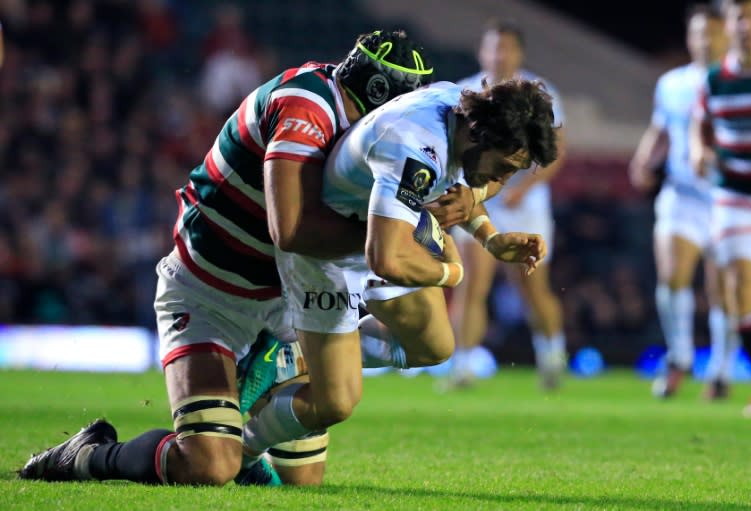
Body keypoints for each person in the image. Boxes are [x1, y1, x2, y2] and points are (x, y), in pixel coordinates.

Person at [18, 30, 448, 486]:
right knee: (208, 466)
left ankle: (280, 369)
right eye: (402, 105)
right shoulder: (307, 105)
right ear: (380, 94)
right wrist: (395, 240)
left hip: (286, 306)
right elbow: (292, 231)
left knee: (302, 485)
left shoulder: (366, 130)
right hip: (211, 298)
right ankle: (88, 455)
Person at [238, 79, 559, 460]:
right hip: (329, 244)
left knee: (434, 347)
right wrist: (454, 273)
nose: (501, 182)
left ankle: (295, 356)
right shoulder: (416, 146)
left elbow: (466, 188)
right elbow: (387, 259)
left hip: (387, 224)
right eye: (504, 168)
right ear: (480, 135)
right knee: (335, 403)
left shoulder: (465, 113)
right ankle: (242, 451)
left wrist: (490, 237)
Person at [445, 19, 568, 390]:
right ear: (483, 52)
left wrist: (523, 189)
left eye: (506, 48)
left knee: (532, 286)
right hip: (477, 196)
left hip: (522, 202)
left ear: (519, 52)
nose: (499, 55)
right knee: (472, 284)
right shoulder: (467, 90)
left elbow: (556, 151)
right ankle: (462, 366)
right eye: (493, 48)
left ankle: (552, 355)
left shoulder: (540, 93)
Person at [629, 5, 735, 399]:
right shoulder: (672, 83)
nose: (704, 41)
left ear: (725, 36)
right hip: (682, 194)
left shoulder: (741, 80)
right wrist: (644, 158)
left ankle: (722, 370)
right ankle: (680, 357)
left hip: (726, 198)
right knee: (672, 276)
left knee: (723, 288)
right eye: (697, 33)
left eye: (711, 33)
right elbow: (662, 128)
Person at [690, 0, 751, 416]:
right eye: (739, 17)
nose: (746, 26)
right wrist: (701, 150)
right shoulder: (716, 78)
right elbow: (701, 125)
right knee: (741, 288)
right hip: (735, 197)